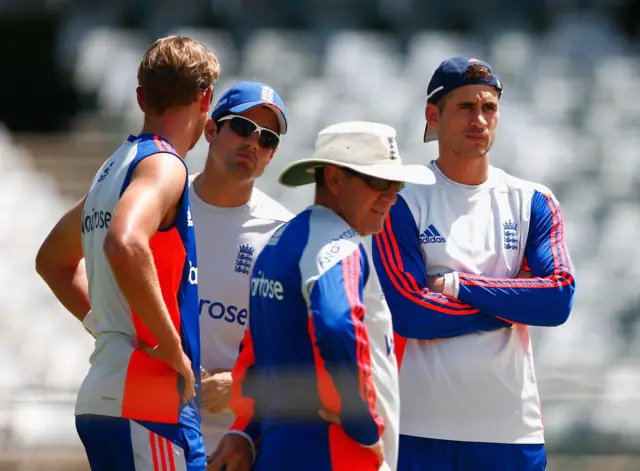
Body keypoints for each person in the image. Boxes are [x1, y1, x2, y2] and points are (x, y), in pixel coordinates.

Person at [372, 56, 577, 471]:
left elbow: (557, 299)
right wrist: (512, 302)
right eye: (466, 107)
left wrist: (454, 285)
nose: (479, 119)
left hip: (511, 432)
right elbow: (410, 312)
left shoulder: (532, 200)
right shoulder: (401, 200)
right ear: (434, 115)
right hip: (418, 427)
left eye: (489, 108)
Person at [35, 35, 220, 470]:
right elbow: (125, 243)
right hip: (147, 402)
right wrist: (169, 345)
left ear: (140, 97)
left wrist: (112, 332)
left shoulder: (114, 168)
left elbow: (51, 261)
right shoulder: (165, 164)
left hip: (110, 394)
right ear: (206, 98)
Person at [207, 121, 436, 471]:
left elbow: (258, 362)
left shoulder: (278, 242)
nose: (391, 195)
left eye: (397, 183)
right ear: (333, 179)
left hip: (280, 450)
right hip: (338, 454)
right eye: (379, 182)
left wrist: (245, 432)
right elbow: (336, 324)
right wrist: (363, 427)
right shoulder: (339, 245)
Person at [189, 81, 294, 453]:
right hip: (152, 424)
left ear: (271, 154)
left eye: (266, 138)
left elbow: (295, 345)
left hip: (237, 442)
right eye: (243, 127)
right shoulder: (163, 203)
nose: (253, 142)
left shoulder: (285, 232)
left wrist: (238, 384)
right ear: (211, 130)